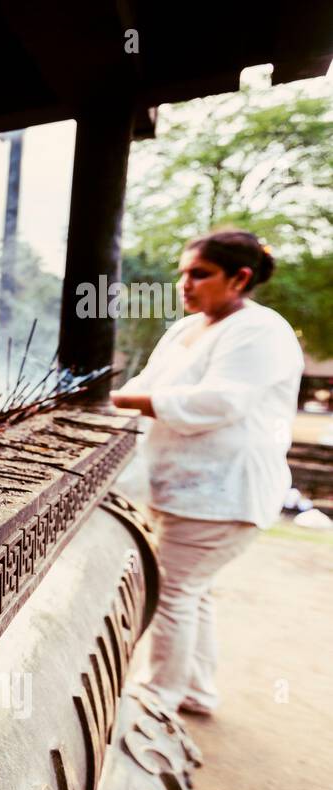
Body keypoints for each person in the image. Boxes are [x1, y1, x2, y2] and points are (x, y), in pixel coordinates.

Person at [111, 230, 303, 716]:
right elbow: (143, 386)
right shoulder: (186, 329)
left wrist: (122, 402)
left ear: (239, 278)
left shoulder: (261, 330)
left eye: (200, 273)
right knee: (189, 593)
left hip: (224, 494)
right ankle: (194, 690)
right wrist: (104, 406)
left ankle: (159, 697)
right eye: (183, 273)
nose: (185, 284)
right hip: (183, 491)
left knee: (173, 591)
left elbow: (220, 401)